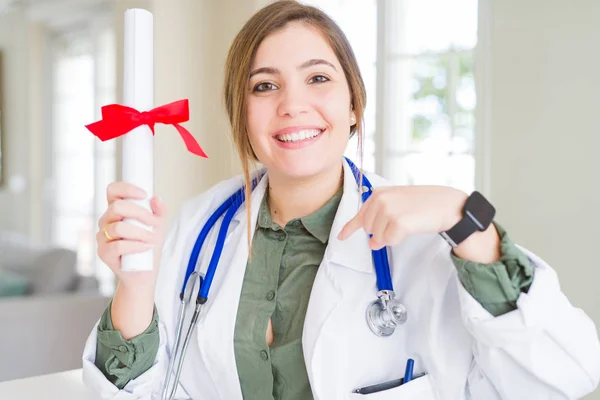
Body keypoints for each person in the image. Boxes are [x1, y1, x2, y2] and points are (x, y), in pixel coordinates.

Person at [82, 1, 600, 399]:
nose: (292, 105)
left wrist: (466, 218)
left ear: (354, 103)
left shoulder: (421, 241)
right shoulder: (196, 229)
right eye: (264, 86)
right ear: (242, 114)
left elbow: (563, 375)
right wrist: (136, 284)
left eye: (318, 78)